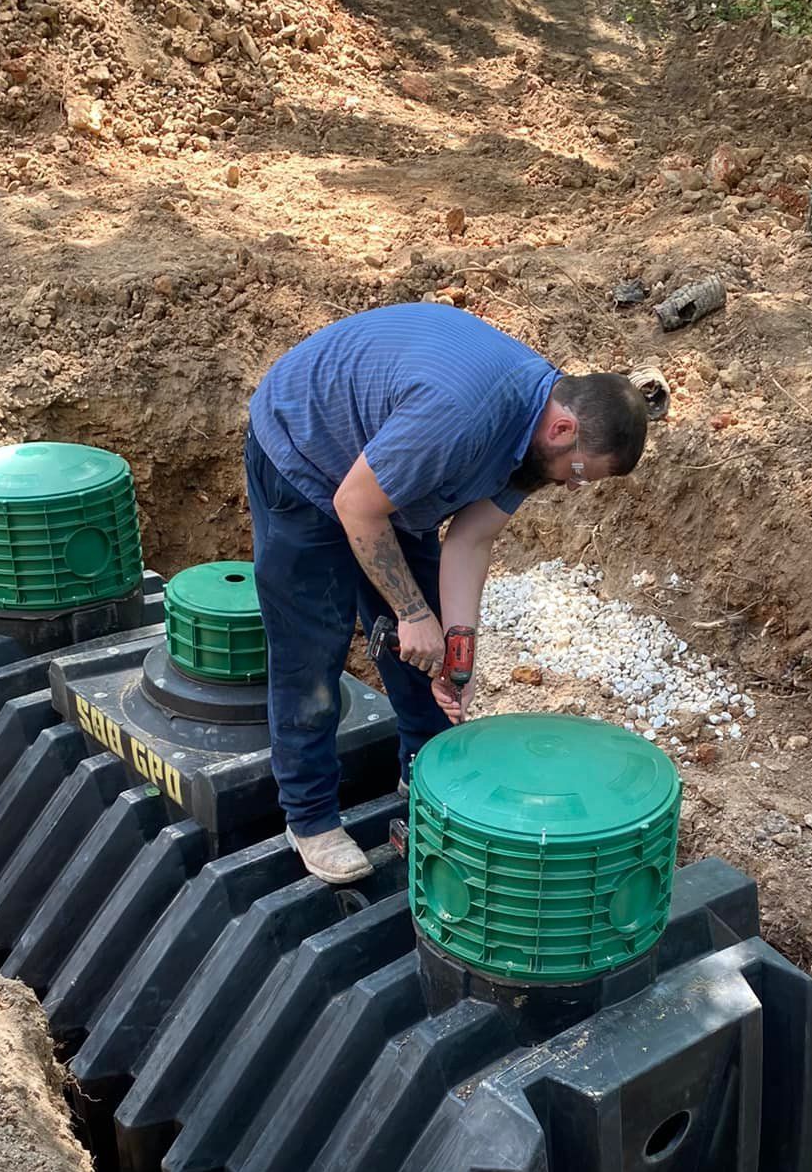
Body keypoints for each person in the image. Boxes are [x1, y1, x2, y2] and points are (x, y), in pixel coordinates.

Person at [245, 301, 650, 883]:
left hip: (387, 483)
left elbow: (471, 539)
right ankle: (310, 818)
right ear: (564, 428)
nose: (573, 486)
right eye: (581, 472)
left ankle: (424, 783)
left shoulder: (536, 444)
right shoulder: (462, 416)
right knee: (313, 651)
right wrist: (409, 613)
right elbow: (355, 505)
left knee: (430, 653)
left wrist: (457, 651)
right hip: (305, 456)